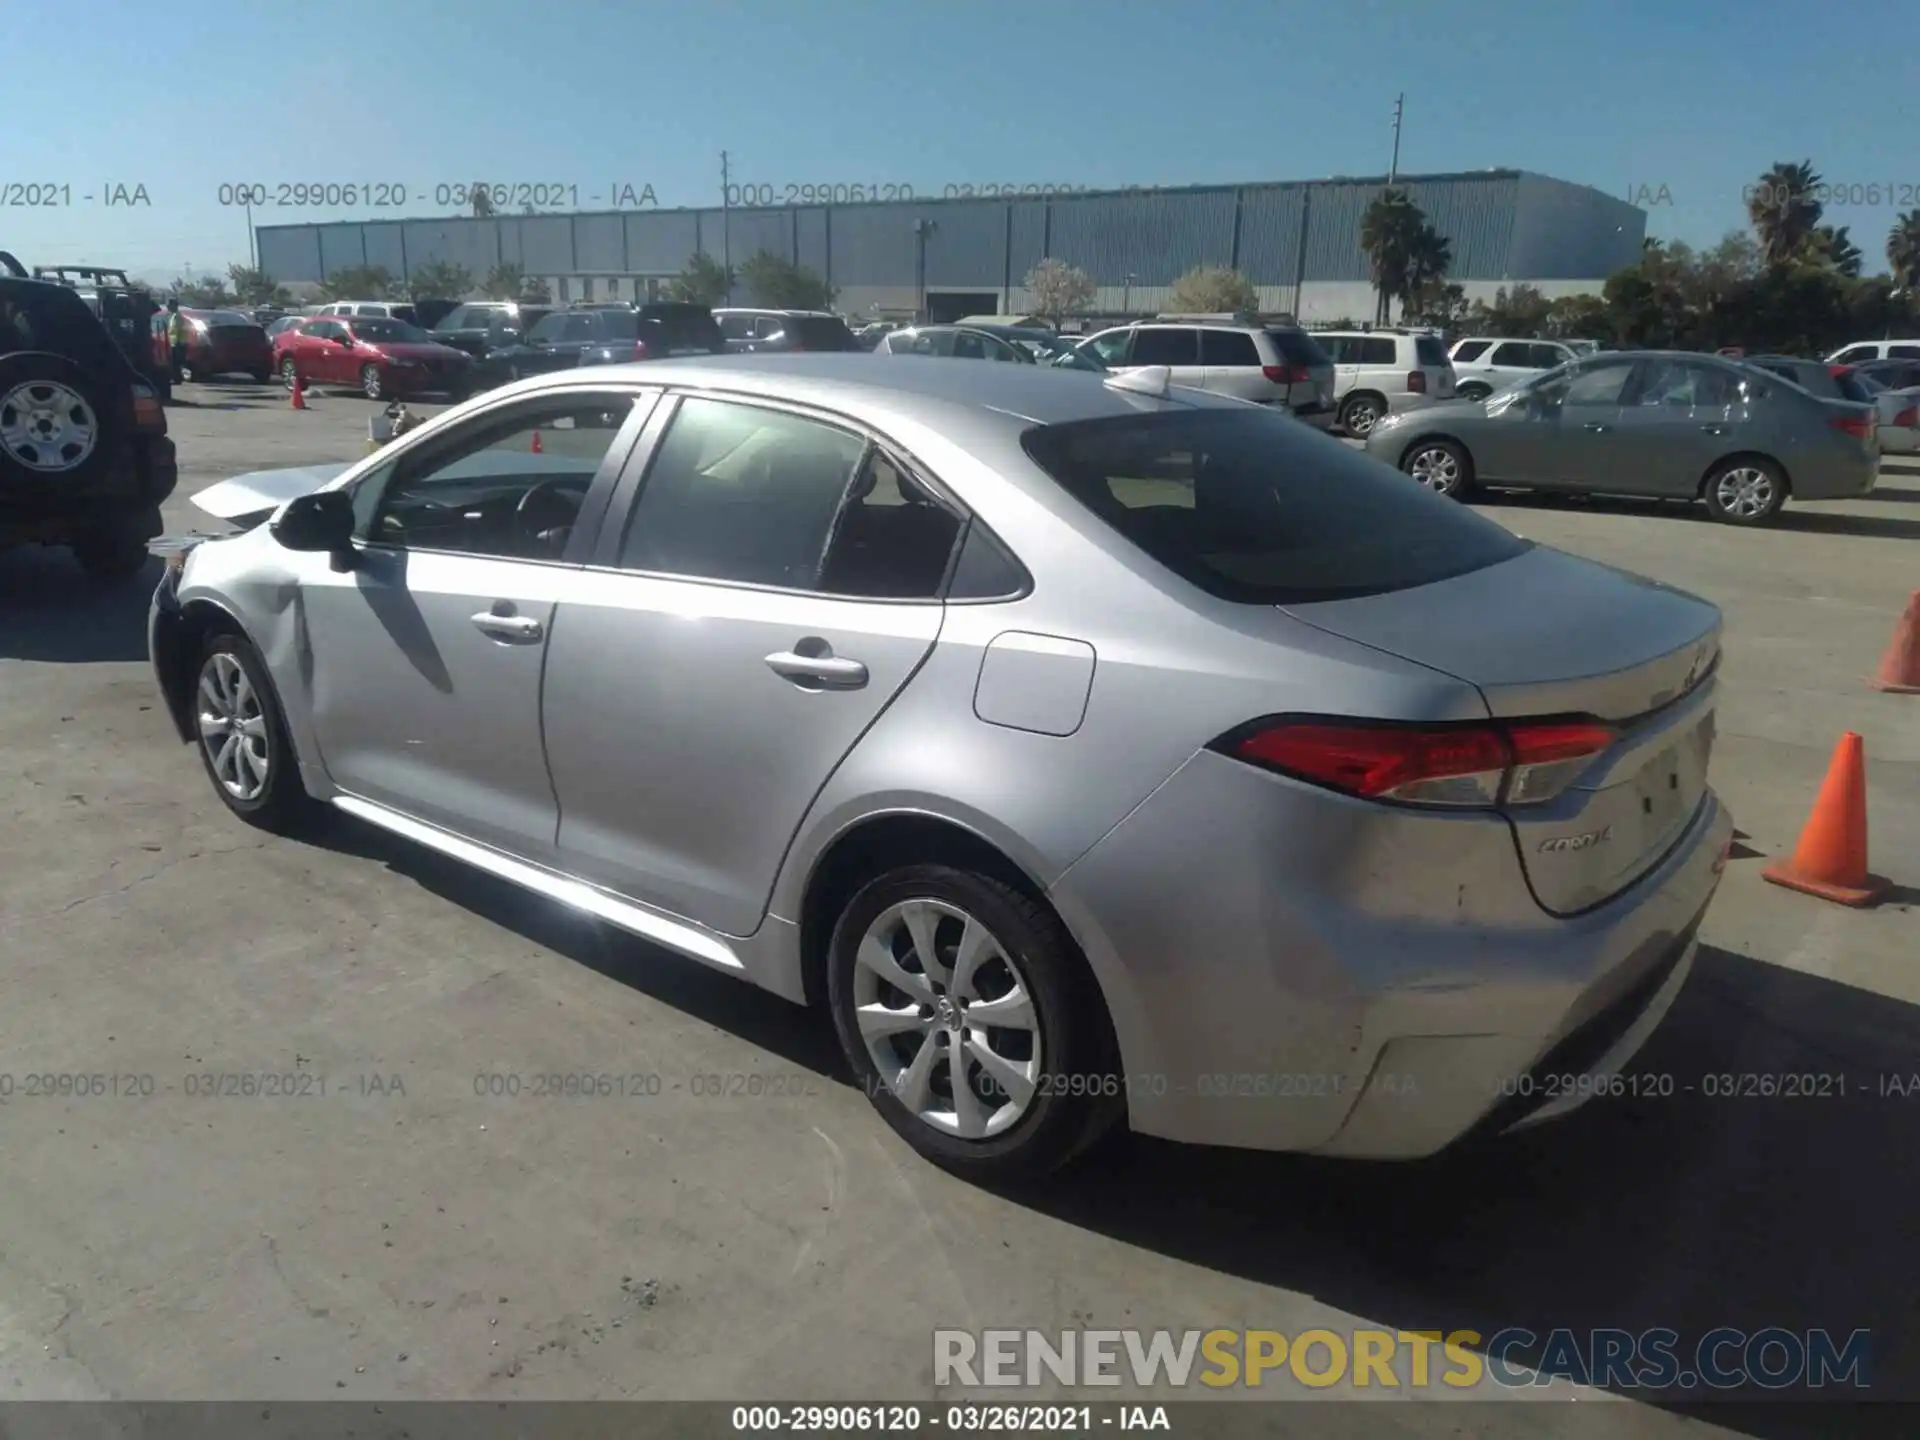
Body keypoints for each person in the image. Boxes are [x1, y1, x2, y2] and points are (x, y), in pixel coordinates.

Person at [165, 298, 189, 382]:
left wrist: (178, 343)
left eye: (169, 306)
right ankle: (176, 378)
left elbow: (179, 330)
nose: (168, 307)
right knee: (174, 362)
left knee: (176, 362)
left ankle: (177, 378)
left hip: (178, 343)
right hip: (174, 342)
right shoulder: (173, 316)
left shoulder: (177, 317)